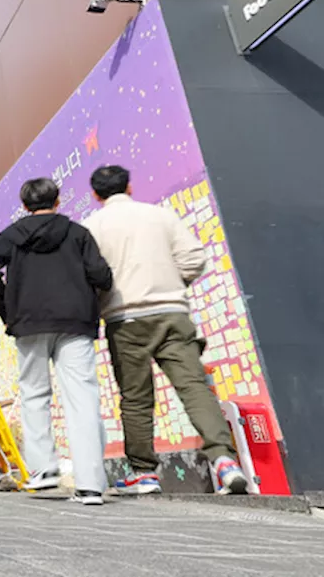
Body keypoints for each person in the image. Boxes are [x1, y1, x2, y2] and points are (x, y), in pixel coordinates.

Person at [83, 165, 249, 496]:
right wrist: (173, 283)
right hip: (173, 312)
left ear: (95, 195)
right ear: (129, 187)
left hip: (124, 318)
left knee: (135, 397)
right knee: (194, 387)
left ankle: (144, 473)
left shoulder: (91, 227)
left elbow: (89, 274)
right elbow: (193, 258)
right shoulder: (160, 216)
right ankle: (224, 460)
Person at [0, 178, 113, 506]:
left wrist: (5, 310)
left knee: (34, 394)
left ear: (25, 205)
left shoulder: (12, 236)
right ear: (58, 200)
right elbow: (101, 275)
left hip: (28, 323)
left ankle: (44, 471)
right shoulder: (78, 233)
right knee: (82, 397)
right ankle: (90, 484)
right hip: (75, 321)